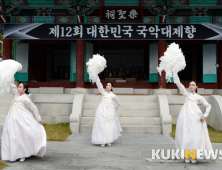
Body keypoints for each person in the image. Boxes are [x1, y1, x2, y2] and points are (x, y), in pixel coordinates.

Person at [173, 71, 213, 163]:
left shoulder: (199, 97)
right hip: (186, 118)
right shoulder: (187, 95)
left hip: (196, 118)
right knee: (186, 136)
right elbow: (179, 85)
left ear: (196, 87)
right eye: (190, 85)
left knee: (195, 137)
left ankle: (194, 156)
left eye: (193, 85)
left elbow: (208, 106)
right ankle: (187, 156)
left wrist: (204, 115)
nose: (191, 86)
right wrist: (175, 74)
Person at [1, 82, 47, 162]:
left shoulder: (25, 98)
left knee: (22, 135)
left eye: (20, 87)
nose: (18, 88)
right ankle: (14, 154)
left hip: (21, 118)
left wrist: (38, 119)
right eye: (18, 86)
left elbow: (34, 108)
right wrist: (10, 77)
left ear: (25, 89)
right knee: (13, 136)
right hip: (13, 118)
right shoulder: (17, 95)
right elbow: (13, 87)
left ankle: (23, 154)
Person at [92, 75, 122, 147]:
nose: (107, 86)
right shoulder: (103, 93)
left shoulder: (113, 96)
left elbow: (118, 103)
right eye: (107, 85)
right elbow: (99, 85)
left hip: (110, 112)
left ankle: (109, 140)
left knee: (110, 126)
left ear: (112, 87)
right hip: (102, 111)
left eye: (109, 85)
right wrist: (96, 76)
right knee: (102, 125)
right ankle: (103, 140)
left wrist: (114, 110)